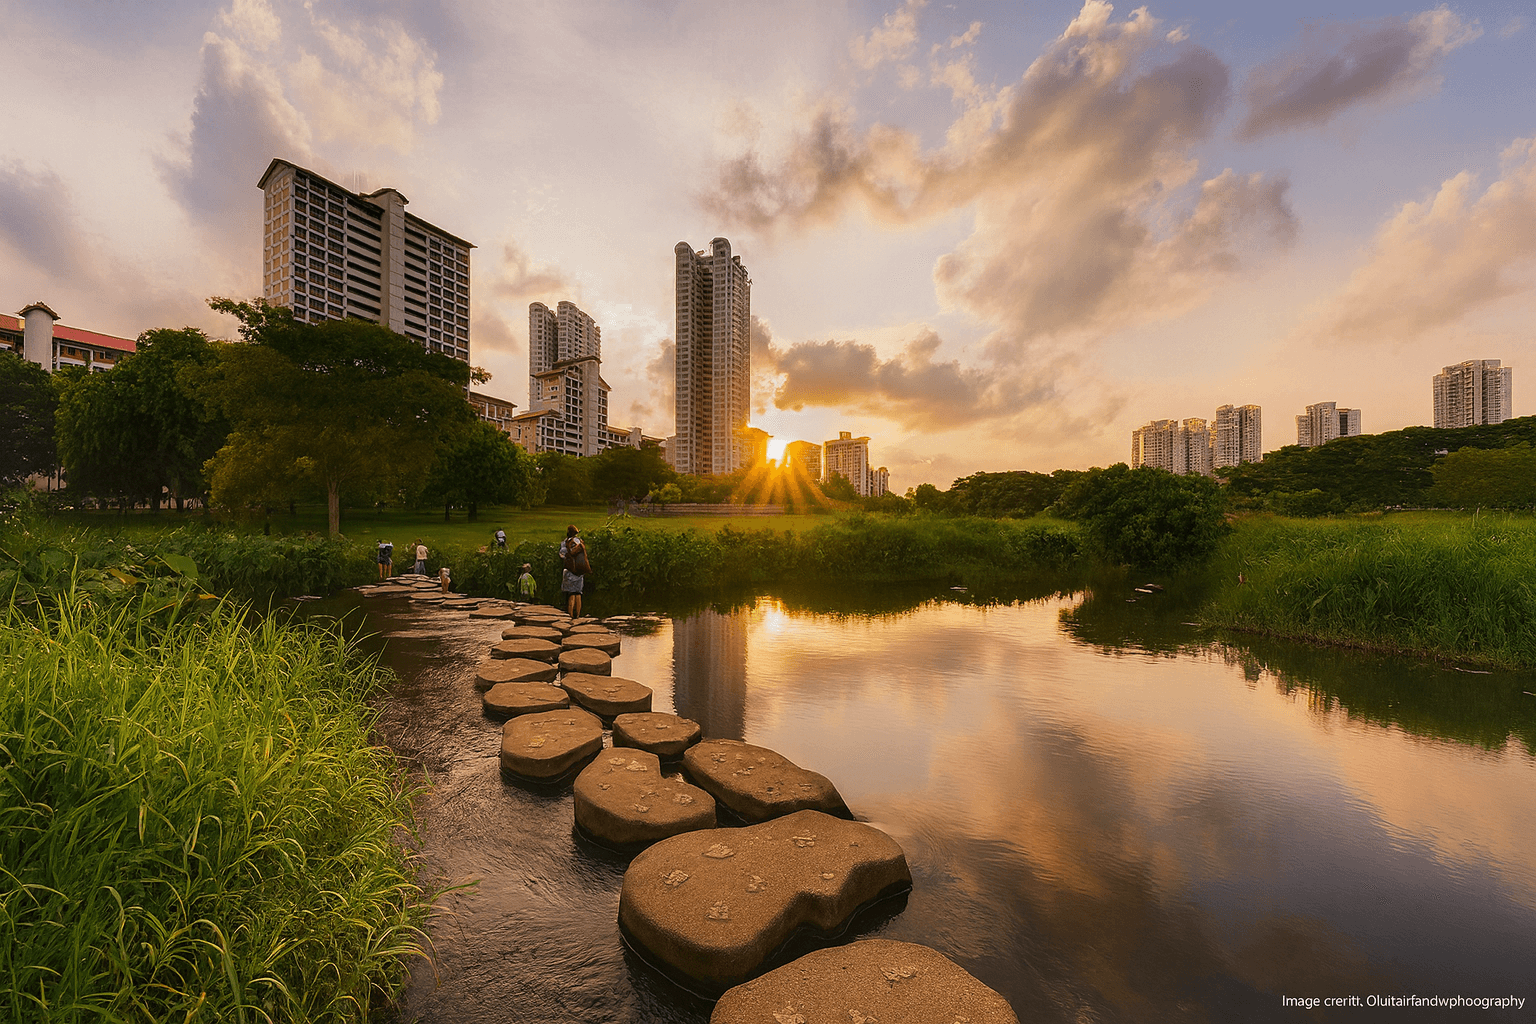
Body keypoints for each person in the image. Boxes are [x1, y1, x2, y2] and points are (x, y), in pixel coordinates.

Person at [558, 524, 591, 617]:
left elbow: (562, 555)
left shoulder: (565, 542)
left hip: (570, 570)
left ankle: (570, 614)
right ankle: (578, 614)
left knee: (571, 593)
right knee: (578, 593)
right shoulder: (579, 542)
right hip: (580, 570)